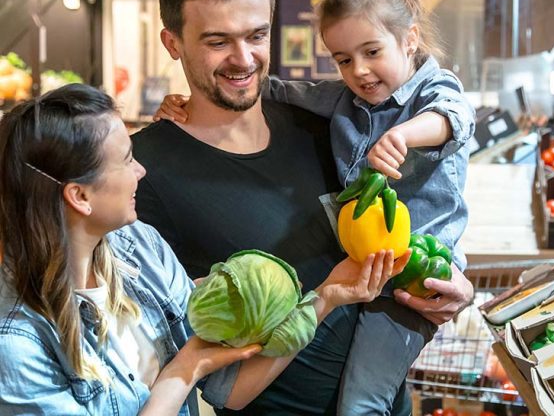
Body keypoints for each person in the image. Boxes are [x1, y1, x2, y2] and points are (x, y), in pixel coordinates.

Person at [133, 0, 475, 415]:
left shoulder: (330, 127)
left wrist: (455, 288)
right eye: (217, 41)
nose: (243, 58)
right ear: (174, 44)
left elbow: (412, 218)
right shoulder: (142, 172)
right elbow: (178, 356)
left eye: (256, 35)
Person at [0, 84, 397, 415]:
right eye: (126, 160)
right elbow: (196, 363)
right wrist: (185, 370)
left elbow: (230, 388)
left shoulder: (140, 247)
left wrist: (326, 297)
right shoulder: (16, 343)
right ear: (79, 196)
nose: (141, 170)